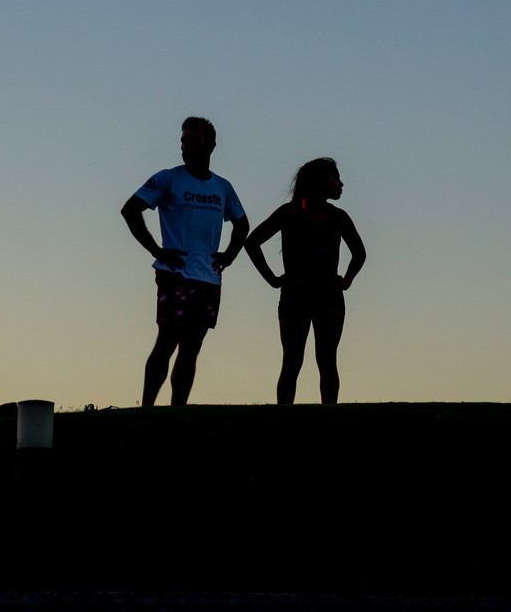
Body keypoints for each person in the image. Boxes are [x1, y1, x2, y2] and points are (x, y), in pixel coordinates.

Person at [121, 116, 250, 406]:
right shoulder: (168, 178)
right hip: (175, 273)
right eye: (183, 140)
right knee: (168, 339)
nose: (186, 145)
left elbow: (242, 224)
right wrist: (156, 250)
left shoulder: (222, 187)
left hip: (208, 277)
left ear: (210, 144)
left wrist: (229, 255)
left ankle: (178, 409)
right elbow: (130, 209)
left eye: (193, 139)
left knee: (192, 347)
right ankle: (147, 408)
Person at [245, 157, 367, 405]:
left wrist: (347, 280)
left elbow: (360, 253)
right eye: (336, 178)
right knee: (294, 360)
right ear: (321, 182)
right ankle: (285, 418)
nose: (341, 184)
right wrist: (272, 279)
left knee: (324, 359)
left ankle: (328, 416)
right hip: (297, 295)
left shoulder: (337, 217)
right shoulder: (289, 213)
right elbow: (252, 242)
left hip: (325, 295)